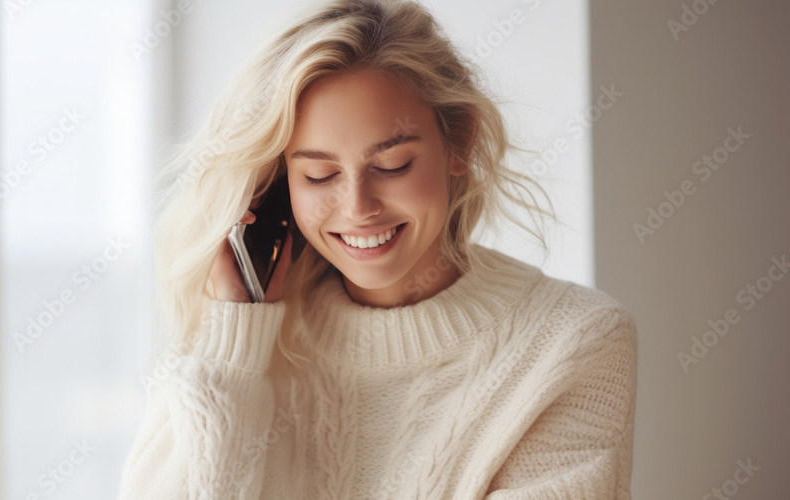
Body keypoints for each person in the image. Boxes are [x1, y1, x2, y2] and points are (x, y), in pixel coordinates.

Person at [118, 0, 637, 498]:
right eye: (320, 175)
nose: (358, 206)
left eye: (391, 167)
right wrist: (231, 347)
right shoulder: (235, 345)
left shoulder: (575, 341)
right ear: (279, 185)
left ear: (459, 143)